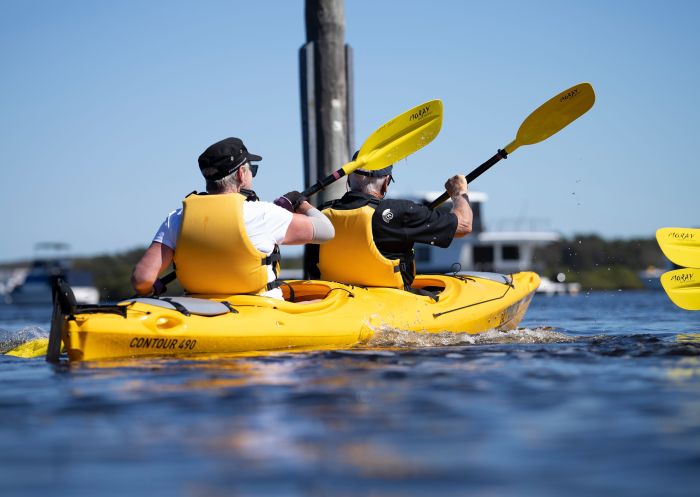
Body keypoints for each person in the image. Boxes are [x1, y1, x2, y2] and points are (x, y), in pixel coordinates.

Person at [131, 137, 334, 299]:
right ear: (240, 175)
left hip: (197, 309)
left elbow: (142, 279)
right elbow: (327, 231)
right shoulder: (264, 214)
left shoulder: (177, 218)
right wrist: (300, 203)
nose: (252, 174)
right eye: (252, 169)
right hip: (260, 309)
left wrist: (148, 290)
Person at [307, 159, 472, 290]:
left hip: (337, 299)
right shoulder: (401, 211)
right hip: (390, 299)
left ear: (349, 179)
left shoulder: (322, 212)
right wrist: (458, 192)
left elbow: (313, 268)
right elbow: (464, 225)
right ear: (386, 183)